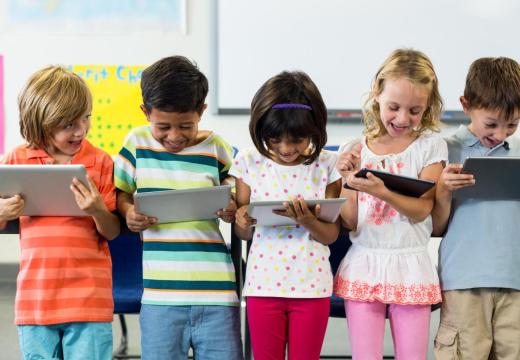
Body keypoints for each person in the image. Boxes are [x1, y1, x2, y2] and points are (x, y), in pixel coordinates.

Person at [431, 57, 520, 360]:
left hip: (517, 279)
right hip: (463, 279)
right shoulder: (444, 150)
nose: (501, 134)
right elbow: (437, 227)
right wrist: (443, 189)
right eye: (491, 124)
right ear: (466, 105)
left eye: (513, 124)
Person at [113, 56, 242, 360]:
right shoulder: (136, 144)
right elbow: (121, 193)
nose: (174, 136)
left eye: (186, 125)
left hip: (217, 291)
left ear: (201, 112)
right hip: (160, 294)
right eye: (163, 126)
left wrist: (231, 206)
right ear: (146, 112)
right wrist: (128, 212)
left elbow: (234, 192)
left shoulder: (217, 147)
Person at [0, 66, 120, 360]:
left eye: (86, 117)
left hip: (89, 300)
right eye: (68, 124)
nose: (81, 129)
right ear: (40, 123)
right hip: (36, 300)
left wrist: (97, 210)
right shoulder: (17, 159)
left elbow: (112, 231)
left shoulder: (101, 161)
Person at [334, 48, 446, 359]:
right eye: (394, 107)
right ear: (377, 94)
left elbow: (423, 209)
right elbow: (351, 220)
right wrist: (346, 179)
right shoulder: (355, 148)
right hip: (365, 263)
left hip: (410, 264)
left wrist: (382, 191)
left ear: (428, 107)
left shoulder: (430, 146)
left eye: (415, 110)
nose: (402, 118)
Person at [231, 70, 341, 360]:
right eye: (274, 139)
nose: (286, 149)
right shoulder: (248, 161)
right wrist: (242, 220)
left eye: (298, 140)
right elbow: (243, 233)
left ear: (315, 128)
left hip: (312, 286)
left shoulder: (328, 165)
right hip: (263, 285)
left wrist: (307, 220)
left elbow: (331, 235)